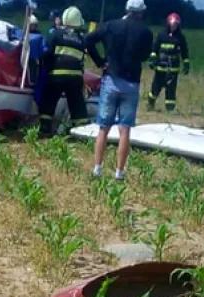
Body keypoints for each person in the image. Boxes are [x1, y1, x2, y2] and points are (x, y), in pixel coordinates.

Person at [85, 0, 153, 181]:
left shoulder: (111, 26)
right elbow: (145, 56)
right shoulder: (146, 32)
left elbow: (88, 40)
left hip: (111, 80)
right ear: (141, 13)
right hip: (131, 83)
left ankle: (97, 169)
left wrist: (100, 61)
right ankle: (119, 172)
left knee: (103, 128)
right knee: (125, 130)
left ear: (126, 10)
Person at [39, 6, 90, 135]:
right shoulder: (81, 39)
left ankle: (45, 130)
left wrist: (45, 68)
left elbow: (46, 53)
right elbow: (82, 59)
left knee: (49, 102)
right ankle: (82, 132)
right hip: (75, 78)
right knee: (77, 104)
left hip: (56, 75)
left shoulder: (55, 34)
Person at [148, 13, 190, 112]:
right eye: (172, 24)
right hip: (160, 67)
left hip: (173, 68)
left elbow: (184, 51)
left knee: (171, 89)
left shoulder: (180, 37)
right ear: (168, 24)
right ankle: (150, 104)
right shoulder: (161, 35)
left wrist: (186, 63)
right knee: (156, 87)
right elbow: (155, 48)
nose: (174, 26)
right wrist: (152, 59)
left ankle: (170, 109)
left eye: (176, 25)